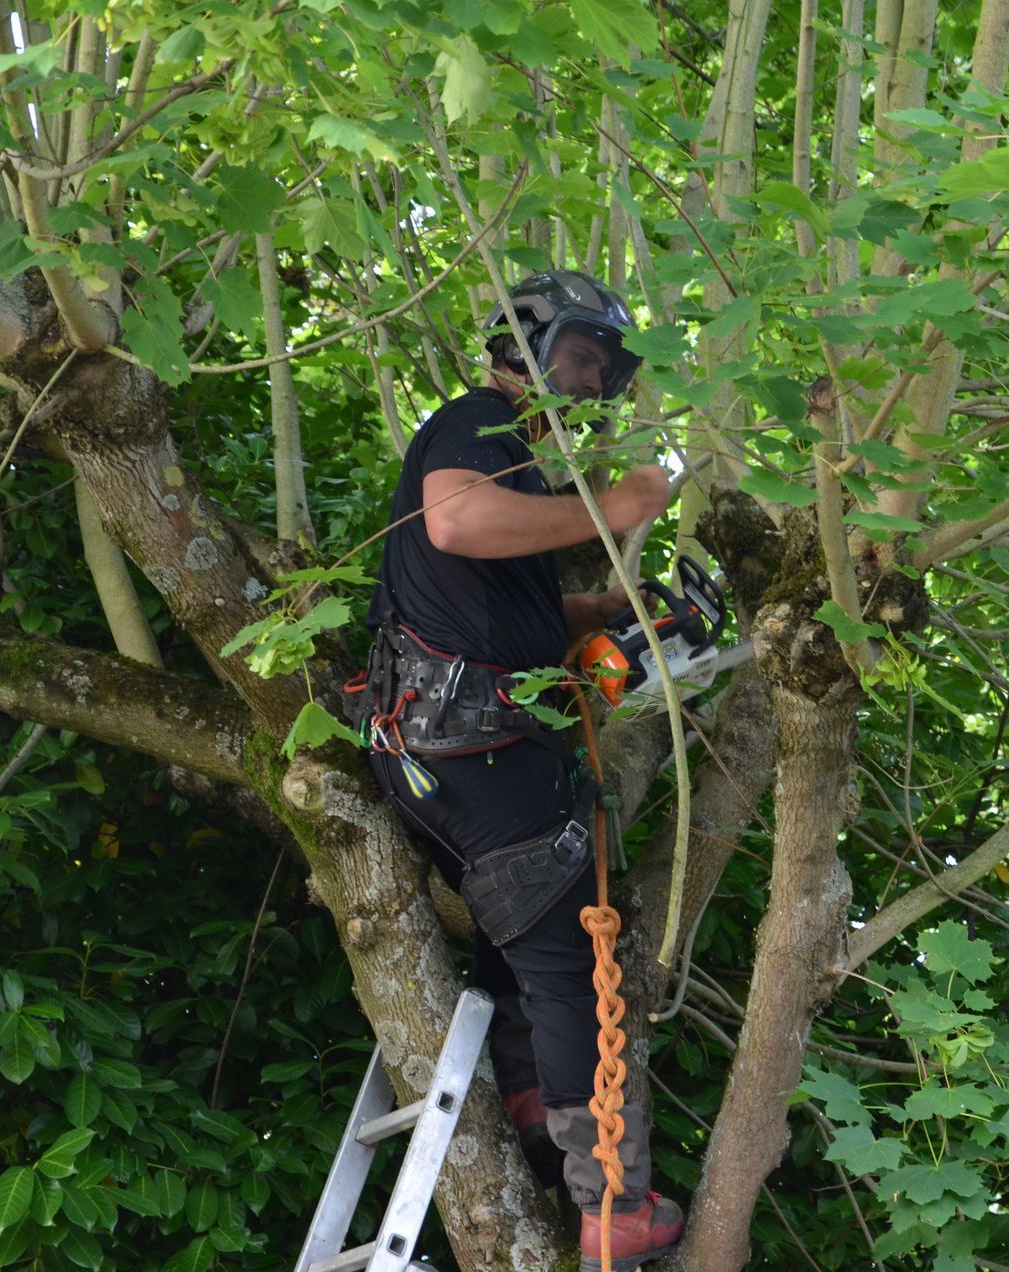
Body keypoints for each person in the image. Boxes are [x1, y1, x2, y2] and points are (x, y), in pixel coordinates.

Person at [362, 270, 681, 1271]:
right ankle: (612, 1200)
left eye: (605, 372)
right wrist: (615, 507)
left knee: (526, 929)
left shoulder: (519, 472)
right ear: (525, 344)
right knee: (573, 959)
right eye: (582, 357)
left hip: (439, 744)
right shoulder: (480, 425)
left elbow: (505, 597)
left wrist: (605, 611)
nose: (592, 382)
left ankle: (539, 1100)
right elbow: (456, 522)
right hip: (477, 746)